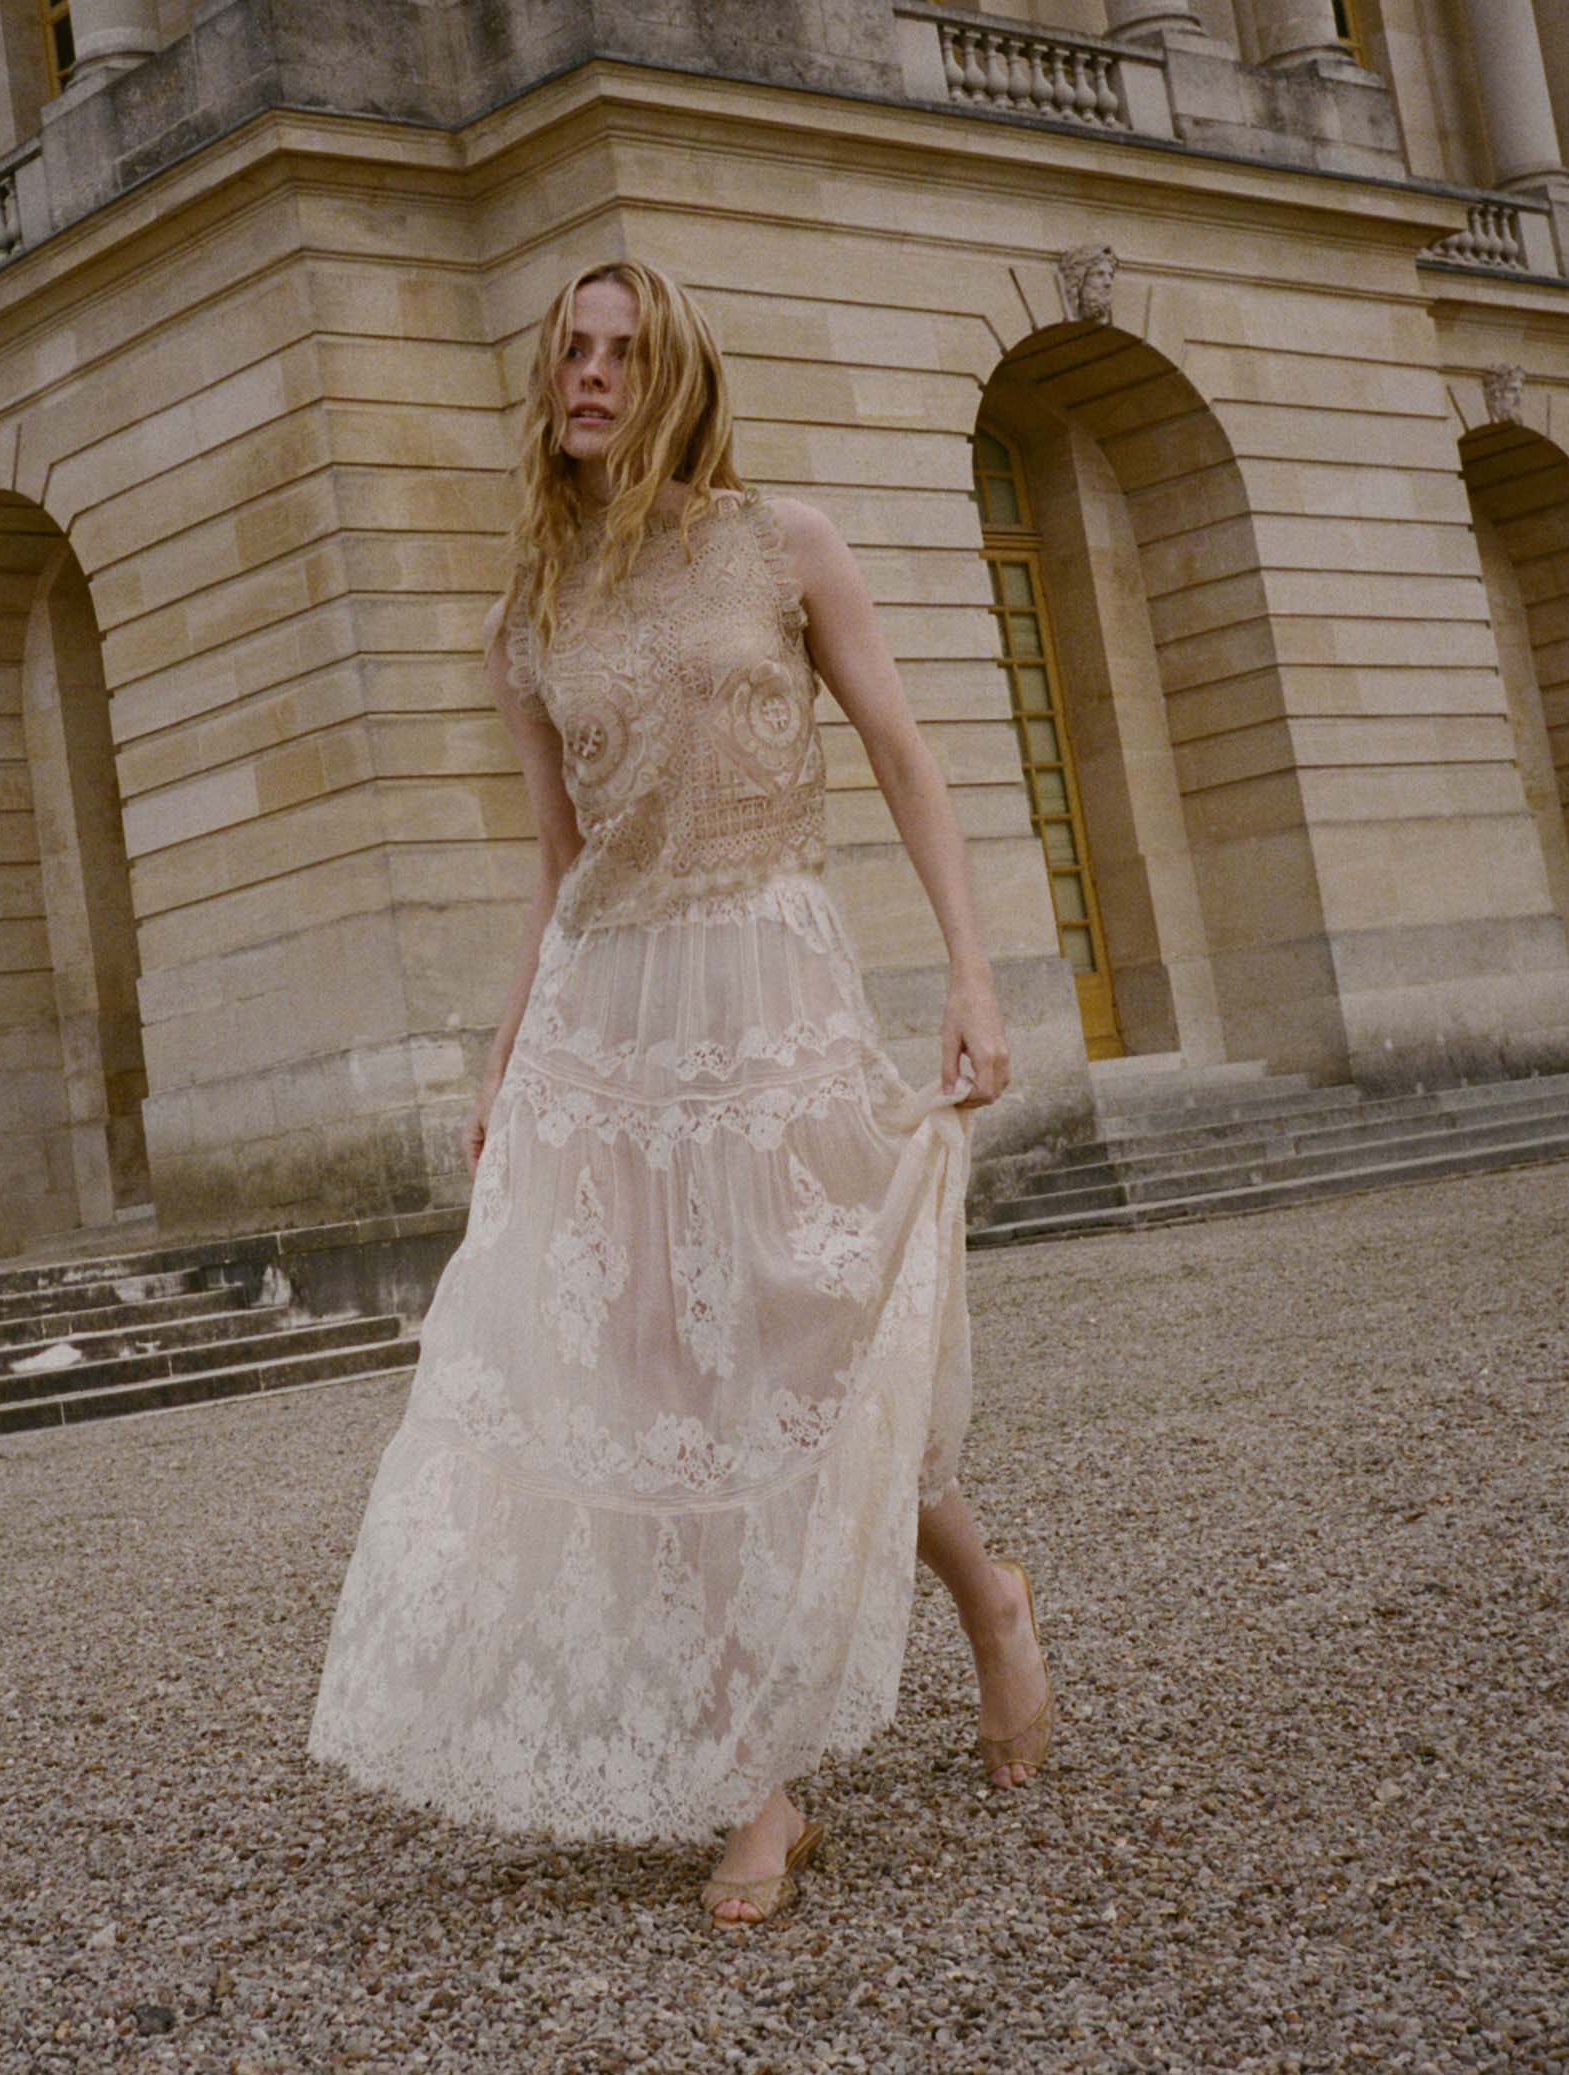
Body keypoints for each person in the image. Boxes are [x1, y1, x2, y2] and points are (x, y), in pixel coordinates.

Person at [308, 260, 1053, 1927]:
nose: (587, 375)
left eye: (620, 353)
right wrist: (507, 1064)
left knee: (802, 1351)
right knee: (656, 1395)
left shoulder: (784, 546)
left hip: (773, 979)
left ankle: (987, 1597)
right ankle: (758, 1784)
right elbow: (557, 867)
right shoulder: (529, 618)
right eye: (569, 351)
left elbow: (903, 753)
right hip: (613, 1016)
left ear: (674, 374)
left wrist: (973, 971)